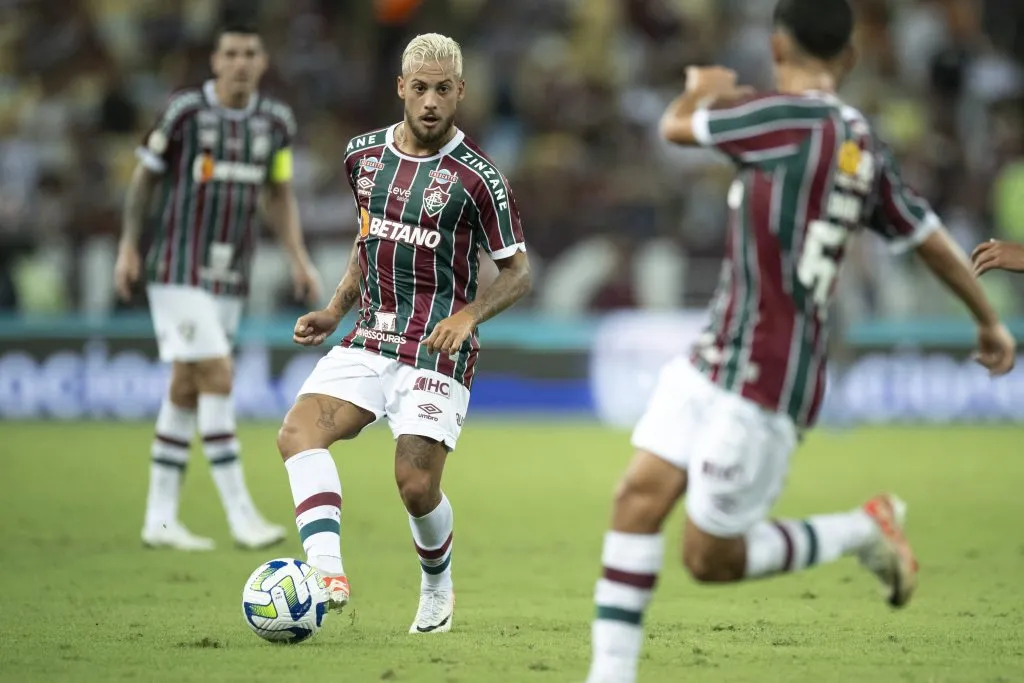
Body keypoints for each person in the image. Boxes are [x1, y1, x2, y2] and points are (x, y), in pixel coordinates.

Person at [584, 1, 1016, 681]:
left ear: (777, 44)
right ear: (848, 57)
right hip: (718, 351)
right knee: (636, 495)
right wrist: (987, 318)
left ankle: (862, 529)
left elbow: (674, 125)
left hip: (768, 376)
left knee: (709, 558)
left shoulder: (779, 116)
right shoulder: (862, 141)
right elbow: (926, 235)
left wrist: (705, 84)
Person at [275, 33, 531, 634]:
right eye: (420, 88)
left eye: (444, 90)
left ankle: (437, 584)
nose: (431, 102)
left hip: (437, 350)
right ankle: (325, 573)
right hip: (371, 334)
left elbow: (519, 274)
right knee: (296, 432)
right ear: (401, 88)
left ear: (461, 92)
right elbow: (369, 241)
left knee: (415, 488)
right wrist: (336, 308)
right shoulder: (362, 157)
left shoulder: (480, 180)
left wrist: (468, 316)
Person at [115, 23, 321, 552]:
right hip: (178, 269)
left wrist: (298, 258)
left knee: (186, 386)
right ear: (215, 61)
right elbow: (145, 177)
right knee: (218, 372)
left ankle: (159, 521)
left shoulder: (276, 123)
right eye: (230, 53)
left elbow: (279, 191)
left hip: (232, 277)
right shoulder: (184, 113)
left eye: (250, 52)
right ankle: (240, 513)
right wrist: (128, 246)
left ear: (263, 60)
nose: (240, 62)